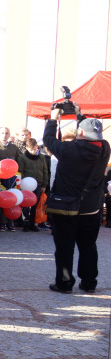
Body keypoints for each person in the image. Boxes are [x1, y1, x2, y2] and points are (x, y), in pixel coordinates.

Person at [44, 108, 110, 293]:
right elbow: (87, 131)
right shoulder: (105, 148)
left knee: (65, 247)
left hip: (66, 206)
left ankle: (64, 283)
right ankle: (89, 283)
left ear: (79, 132)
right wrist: (80, 116)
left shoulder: (69, 149)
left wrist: (53, 120)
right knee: (88, 246)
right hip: (91, 207)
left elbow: (49, 140)